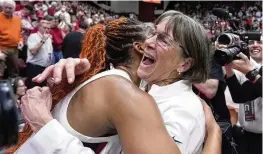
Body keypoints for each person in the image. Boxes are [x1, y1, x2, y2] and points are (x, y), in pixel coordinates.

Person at [22, 10, 212, 154]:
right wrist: (71, 81)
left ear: (185, 63)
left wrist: (45, 127)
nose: (149, 42)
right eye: (153, 33)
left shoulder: (182, 111)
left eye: (163, 39)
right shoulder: (138, 87)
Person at [25, 21, 53, 89]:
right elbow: (33, 51)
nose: (47, 30)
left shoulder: (48, 38)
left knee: (42, 89)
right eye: (44, 27)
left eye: (48, 28)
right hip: (35, 67)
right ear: (39, 27)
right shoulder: (33, 36)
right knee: (33, 88)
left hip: (45, 67)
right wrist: (43, 40)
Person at [0, 0, 23, 77]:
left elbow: (19, 34)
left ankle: (14, 88)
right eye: (6, 7)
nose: (7, 10)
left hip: (14, 50)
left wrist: (20, 41)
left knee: (14, 72)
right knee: (0, 72)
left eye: (10, 8)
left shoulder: (17, 19)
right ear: (2, 7)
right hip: (2, 49)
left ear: (14, 9)